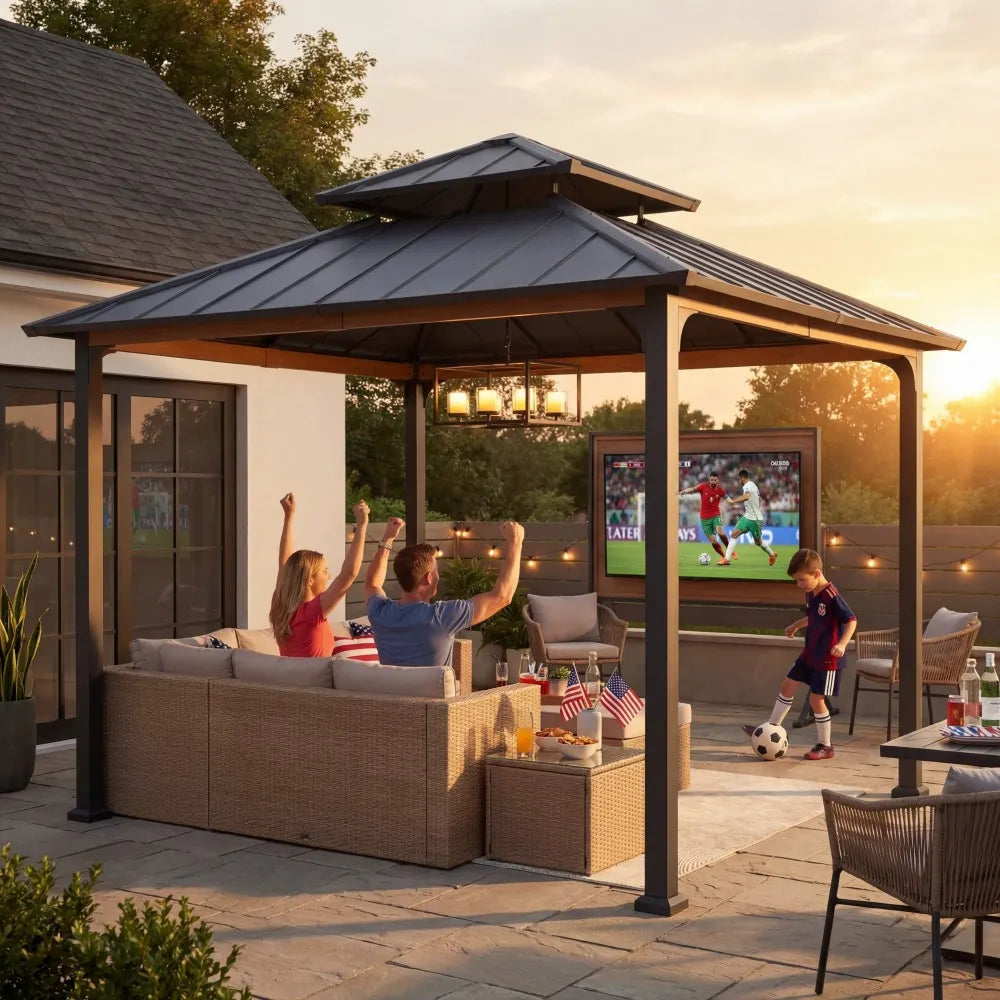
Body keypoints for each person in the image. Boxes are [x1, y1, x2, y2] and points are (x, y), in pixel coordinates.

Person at [743, 548, 857, 760]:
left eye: (801, 580)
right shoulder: (810, 592)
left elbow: (851, 620)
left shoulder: (831, 595)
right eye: (796, 581)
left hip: (827, 659)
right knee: (787, 685)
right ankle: (771, 728)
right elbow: (814, 617)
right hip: (809, 654)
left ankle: (826, 746)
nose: (799, 585)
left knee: (816, 700)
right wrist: (796, 625)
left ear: (816, 573)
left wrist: (842, 644)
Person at [365, 519, 526, 667]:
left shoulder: (380, 612)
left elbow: (372, 583)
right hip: (437, 698)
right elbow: (502, 597)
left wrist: (388, 538)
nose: (438, 576)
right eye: (436, 571)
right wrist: (515, 542)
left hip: (394, 697)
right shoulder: (441, 616)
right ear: (428, 579)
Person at [269, 493, 370, 657]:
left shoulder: (281, 607)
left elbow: (284, 563)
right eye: (324, 571)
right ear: (309, 580)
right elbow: (349, 574)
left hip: (293, 681)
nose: (329, 576)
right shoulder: (311, 613)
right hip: (317, 682)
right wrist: (362, 525)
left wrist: (288, 517)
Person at [719, 468, 777, 566]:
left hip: (755, 519)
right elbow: (759, 499)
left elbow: (747, 497)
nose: (739, 481)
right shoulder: (753, 485)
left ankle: (771, 554)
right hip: (747, 516)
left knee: (758, 542)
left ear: (742, 478)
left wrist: (733, 501)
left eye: (739, 479)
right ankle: (727, 559)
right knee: (734, 534)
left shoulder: (747, 486)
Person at [679, 472, 736, 562]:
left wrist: (732, 502)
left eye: (715, 480)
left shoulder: (721, 490)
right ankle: (725, 557)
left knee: (720, 532)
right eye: (711, 479)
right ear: (709, 479)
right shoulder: (703, 486)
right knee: (713, 542)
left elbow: (728, 499)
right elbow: (693, 489)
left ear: (718, 480)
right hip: (704, 518)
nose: (713, 481)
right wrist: (684, 491)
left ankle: (730, 550)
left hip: (715, 515)